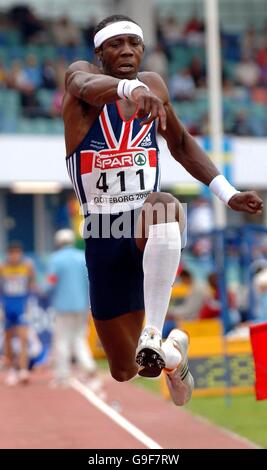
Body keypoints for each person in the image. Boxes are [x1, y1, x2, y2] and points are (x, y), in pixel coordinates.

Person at [62, 15, 263, 406]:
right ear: (100, 53)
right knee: (126, 370)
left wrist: (227, 193)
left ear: (143, 50)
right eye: (115, 44)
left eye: (133, 44)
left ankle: (154, 332)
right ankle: (173, 355)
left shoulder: (155, 87)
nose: (126, 51)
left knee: (164, 205)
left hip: (144, 227)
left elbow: (182, 143)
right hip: (103, 234)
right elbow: (80, 83)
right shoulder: (83, 84)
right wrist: (128, 89)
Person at [46, 229, 98, 387]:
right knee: (79, 337)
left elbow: (50, 283)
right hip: (81, 305)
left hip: (62, 306)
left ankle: (62, 374)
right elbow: (89, 282)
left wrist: (44, 290)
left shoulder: (56, 259)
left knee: (62, 340)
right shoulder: (82, 257)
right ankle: (88, 366)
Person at [0, 242, 35, 385]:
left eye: (17, 253)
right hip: (7, 306)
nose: (15, 256)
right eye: (12, 253)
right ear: (9, 254)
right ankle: (11, 370)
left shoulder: (27, 266)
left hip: (21, 306)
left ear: (20, 254)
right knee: (8, 340)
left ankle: (23, 370)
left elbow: (32, 285)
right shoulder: (2, 267)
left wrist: (30, 304)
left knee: (23, 338)